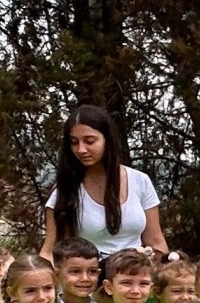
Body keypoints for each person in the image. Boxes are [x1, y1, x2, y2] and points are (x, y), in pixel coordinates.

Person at [39, 105, 167, 262]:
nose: (81, 149)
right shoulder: (65, 190)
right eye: (74, 142)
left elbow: (156, 242)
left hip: (136, 279)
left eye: (89, 141)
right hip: (87, 280)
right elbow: (49, 251)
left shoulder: (140, 181)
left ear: (107, 139)